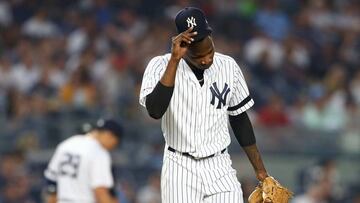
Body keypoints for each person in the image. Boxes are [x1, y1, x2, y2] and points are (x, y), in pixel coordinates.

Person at [139, 7, 271, 202]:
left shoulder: (228, 66)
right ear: (183, 47)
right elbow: (155, 111)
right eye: (199, 57)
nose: (207, 59)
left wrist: (260, 171)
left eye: (209, 51)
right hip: (179, 167)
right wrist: (174, 60)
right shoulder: (160, 66)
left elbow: (239, 119)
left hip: (219, 164)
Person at [43, 119, 122, 203]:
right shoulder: (99, 152)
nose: (112, 147)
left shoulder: (65, 145)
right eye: (115, 143)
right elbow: (100, 190)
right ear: (109, 135)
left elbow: (51, 183)